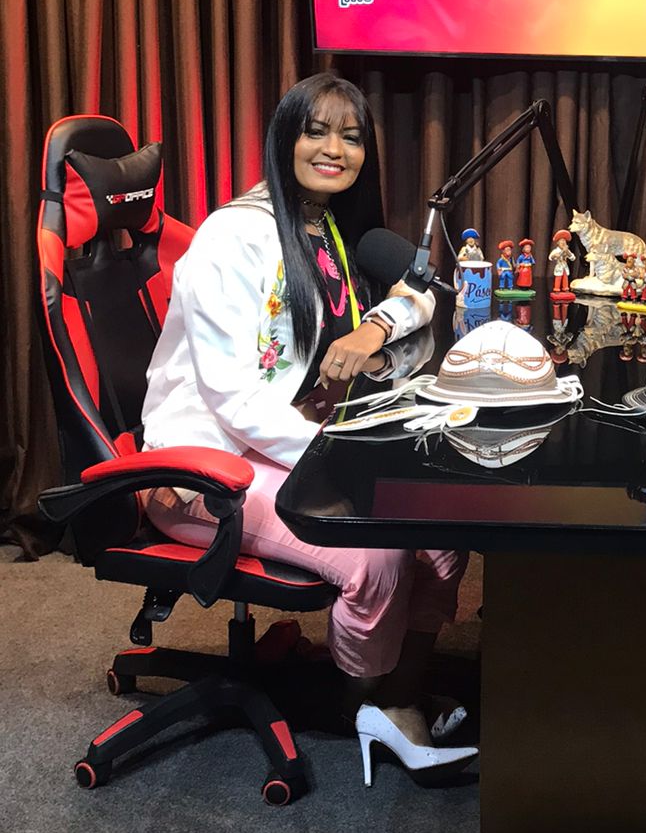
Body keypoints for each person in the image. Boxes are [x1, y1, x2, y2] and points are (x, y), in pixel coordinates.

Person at [140, 72, 476, 782]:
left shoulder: (332, 228)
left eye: (351, 137)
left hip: (295, 446)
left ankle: (398, 695)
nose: (334, 149)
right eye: (315, 131)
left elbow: (420, 293)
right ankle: (356, 702)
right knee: (378, 552)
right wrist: (349, 459)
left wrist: (374, 329)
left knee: (443, 533)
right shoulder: (233, 237)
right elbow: (234, 399)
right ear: (284, 138)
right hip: (205, 467)